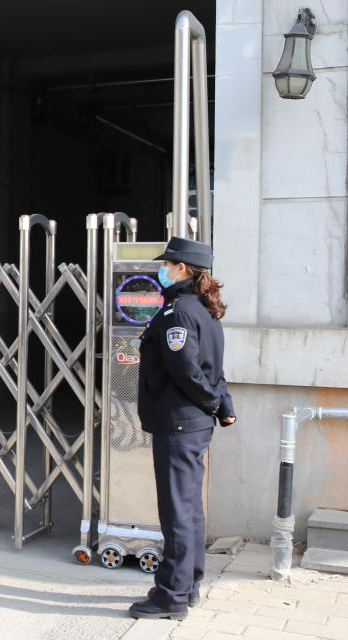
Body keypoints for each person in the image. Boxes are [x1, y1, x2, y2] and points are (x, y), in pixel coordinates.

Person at [129, 236, 236, 620]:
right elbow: (215, 368)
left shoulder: (177, 311)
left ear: (181, 269)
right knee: (189, 510)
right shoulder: (206, 310)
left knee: (176, 512)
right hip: (192, 424)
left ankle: (170, 596)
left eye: (167, 264)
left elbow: (187, 370)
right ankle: (188, 585)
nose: (163, 269)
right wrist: (223, 406)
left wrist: (211, 402)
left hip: (178, 423)